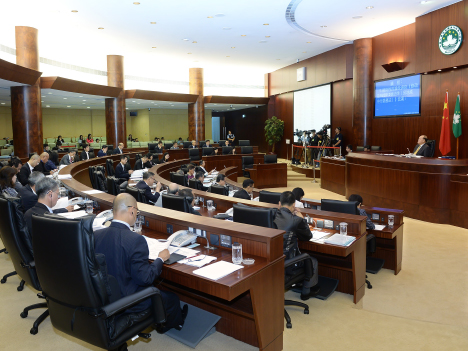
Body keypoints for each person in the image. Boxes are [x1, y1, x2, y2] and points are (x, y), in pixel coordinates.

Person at [93, 193, 187, 332]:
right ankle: (169, 325)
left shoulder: (96, 235)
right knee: (172, 298)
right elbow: (145, 278)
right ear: (131, 211)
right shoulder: (135, 240)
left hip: (104, 298)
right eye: (137, 211)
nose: (137, 214)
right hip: (129, 301)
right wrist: (160, 259)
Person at [274, 191, 320, 300]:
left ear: (279, 203)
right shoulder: (296, 220)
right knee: (312, 260)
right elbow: (307, 236)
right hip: (288, 264)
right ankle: (306, 292)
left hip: (273, 260)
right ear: (294, 205)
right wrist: (302, 219)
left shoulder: (270, 214)